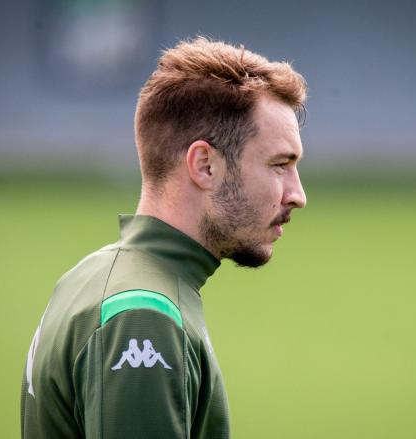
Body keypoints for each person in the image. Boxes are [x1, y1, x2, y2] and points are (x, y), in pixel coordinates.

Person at [21, 36, 307, 439]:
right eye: (280, 165)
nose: (298, 195)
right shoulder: (142, 317)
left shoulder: (92, 275)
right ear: (205, 166)